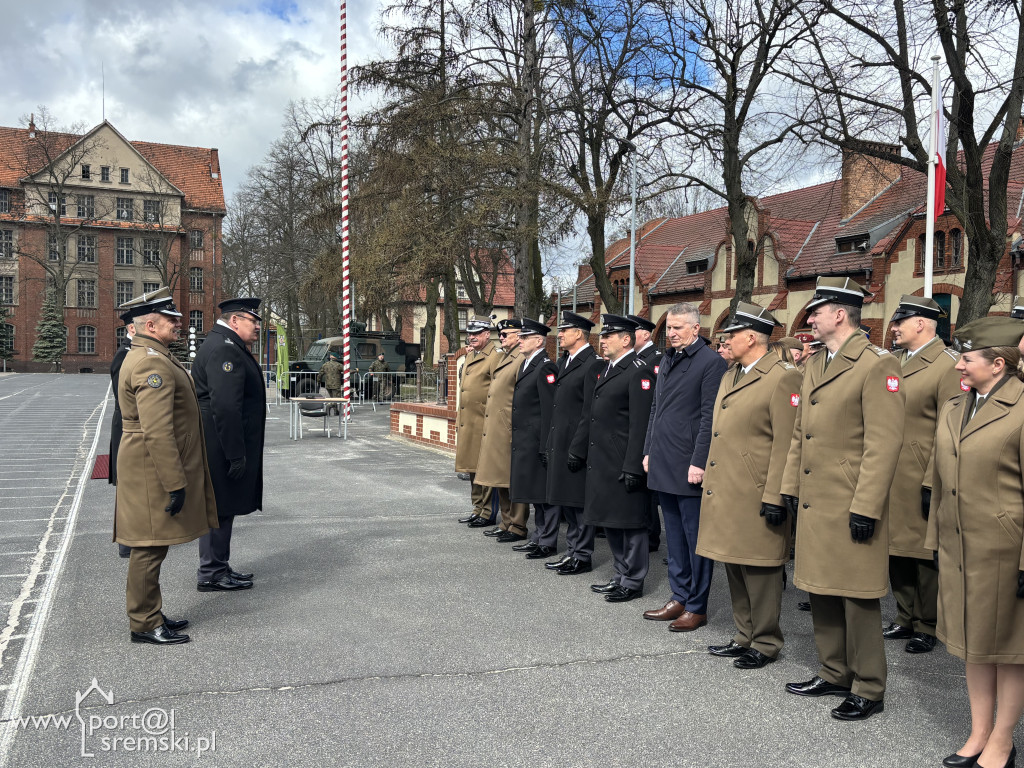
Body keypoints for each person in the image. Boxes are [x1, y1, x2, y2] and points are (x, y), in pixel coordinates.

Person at [780, 276, 905, 722]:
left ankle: (869, 686)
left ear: (839, 314)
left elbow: (883, 443)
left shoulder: (876, 365)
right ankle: (834, 671)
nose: (809, 317)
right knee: (820, 589)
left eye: (817, 310)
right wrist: (790, 489)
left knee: (857, 596)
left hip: (852, 500)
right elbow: (800, 433)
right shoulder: (816, 363)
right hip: (817, 498)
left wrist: (867, 506)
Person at [926, 317, 1024, 768]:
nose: (959, 365)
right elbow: (942, 480)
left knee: (1008, 648)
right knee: (972, 642)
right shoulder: (954, 406)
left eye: (967, 358)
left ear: (998, 364)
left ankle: (1002, 740)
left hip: (1005, 551)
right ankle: (979, 731)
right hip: (959, 546)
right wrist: (935, 538)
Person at [697, 302, 802, 669]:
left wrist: (776, 494)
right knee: (734, 565)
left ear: (752, 337)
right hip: (727, 487)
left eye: (731, 335)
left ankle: (766, 641)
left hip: (758, 490)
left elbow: (787, 441)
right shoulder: (733, 373)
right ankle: (744, 635)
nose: (725, 340)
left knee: (760, 570)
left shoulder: (783, 376)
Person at [114, 287, 217, 645]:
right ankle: (143, 622)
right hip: (150, 469)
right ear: (152, 324)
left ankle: (150, 613)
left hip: (148, 465)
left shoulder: (154, 355)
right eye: (172, 320)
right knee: (148, 546)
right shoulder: (150, 362)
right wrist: (176, 482)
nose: (179, 324)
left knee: (153, 545)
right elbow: (156, 431)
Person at [883, 295, 962, 655]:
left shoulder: (947, 366)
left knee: (923, 552)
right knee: (895, 548)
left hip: (921, 473)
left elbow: (949, 429)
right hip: (889, 472)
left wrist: (933, 480)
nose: (893, 328)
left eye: (901, 322)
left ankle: (928, 623)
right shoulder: (892, 362)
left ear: (922, 323)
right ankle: (904, 616)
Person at [642, 303, 728, 630]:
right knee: (674, 537)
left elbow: (710, 418)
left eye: (678, 327)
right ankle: (678, 595)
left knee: (695, 540)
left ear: (696, 328)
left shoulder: (710, 362)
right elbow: (656, 410)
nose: (671, 333)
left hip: (689, 465)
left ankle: (696, 605)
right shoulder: (667, 359)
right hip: (663, 459)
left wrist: (699, 460)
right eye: (668, 327)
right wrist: (649, 449)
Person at [192, 298, 266, 592]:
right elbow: (225, 406)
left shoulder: (226, 343)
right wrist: (236, 454)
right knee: (219, 507)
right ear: (235, 321)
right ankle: (211, 572)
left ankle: (218, 565)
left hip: (219, 441)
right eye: (253, 321)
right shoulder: (225, 348)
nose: (258, 326)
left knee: (223, 507)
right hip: (221, 444)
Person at [584, 314, 656, 602]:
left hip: (623, 460)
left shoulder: (637, 371)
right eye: (602, 336)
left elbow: (640, 424)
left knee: (631, 523)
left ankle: (633, 580)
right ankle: (619, 574)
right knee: (611, 521)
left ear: (626, 339)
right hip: (603, 459)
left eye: (608, 336)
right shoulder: (607, 369)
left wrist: (633, 465)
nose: (602, 341)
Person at [545, 311, 603, 575]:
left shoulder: (591, 364)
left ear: (579, 333)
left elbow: (589, 412)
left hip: (576, 445)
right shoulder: (566, 361)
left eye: (565, 331)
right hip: (562, 441)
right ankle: (572, 551)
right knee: (567, 501)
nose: (560, 335)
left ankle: (582, 554)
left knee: (578, 504)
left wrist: (578, 448)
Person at [475, 319, 530, 543]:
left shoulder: (521, 359)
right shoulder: (506, 356)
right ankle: (506, 522)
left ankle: (517, 525)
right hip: (497, 427)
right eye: (501, 334)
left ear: (519, 335)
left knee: (512, 479)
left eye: (507, 334)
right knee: (499, 477)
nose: (503, 338)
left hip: (509, 427)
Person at [509, 319, 559, 559]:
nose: (519, 340)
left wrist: (545, 444)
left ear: (538, 341)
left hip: (538, 439)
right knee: (535, 492)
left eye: (524, 337)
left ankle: (547, 541)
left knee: (543, 493)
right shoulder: (528, 363)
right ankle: (538, 536)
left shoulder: (546, 367)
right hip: (526, 439)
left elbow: (549, 410)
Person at [454, 316, 499, 526]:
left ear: (486, 334)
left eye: (476, 334)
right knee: (472, 469)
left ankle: (488, 512)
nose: (471, 337)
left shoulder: (495, 357)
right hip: (468, 421)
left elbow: (497, 393)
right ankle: (477, 508)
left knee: (485, 471)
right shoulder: (471, 356)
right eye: (469, 334)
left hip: (484, 422)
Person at [629, 314, 663, 553]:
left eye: (634, 331)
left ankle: (651, 535)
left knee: (648, 489)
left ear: (646, 334)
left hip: (648, 428)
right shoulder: (637, 358)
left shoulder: (654, 358)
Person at [110, 310, 135, 559]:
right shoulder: (123, 355)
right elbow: (123, 397)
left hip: (130, 425)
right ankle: (126, 542)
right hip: (125, 426)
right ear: (130, 329)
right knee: (126, 484)